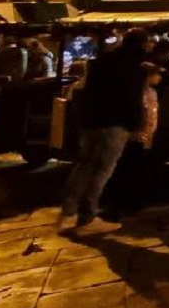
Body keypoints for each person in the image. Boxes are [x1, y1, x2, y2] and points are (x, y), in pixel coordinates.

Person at [59, 29, 153, 235]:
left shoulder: (101, 61)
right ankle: (87, 217)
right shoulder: (135, 67)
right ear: (143, 44)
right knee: (102, 169)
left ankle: (68, 212)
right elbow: (132, 99)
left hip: (91, 121)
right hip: (114, 124)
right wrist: (136, 125)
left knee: (84, 166)